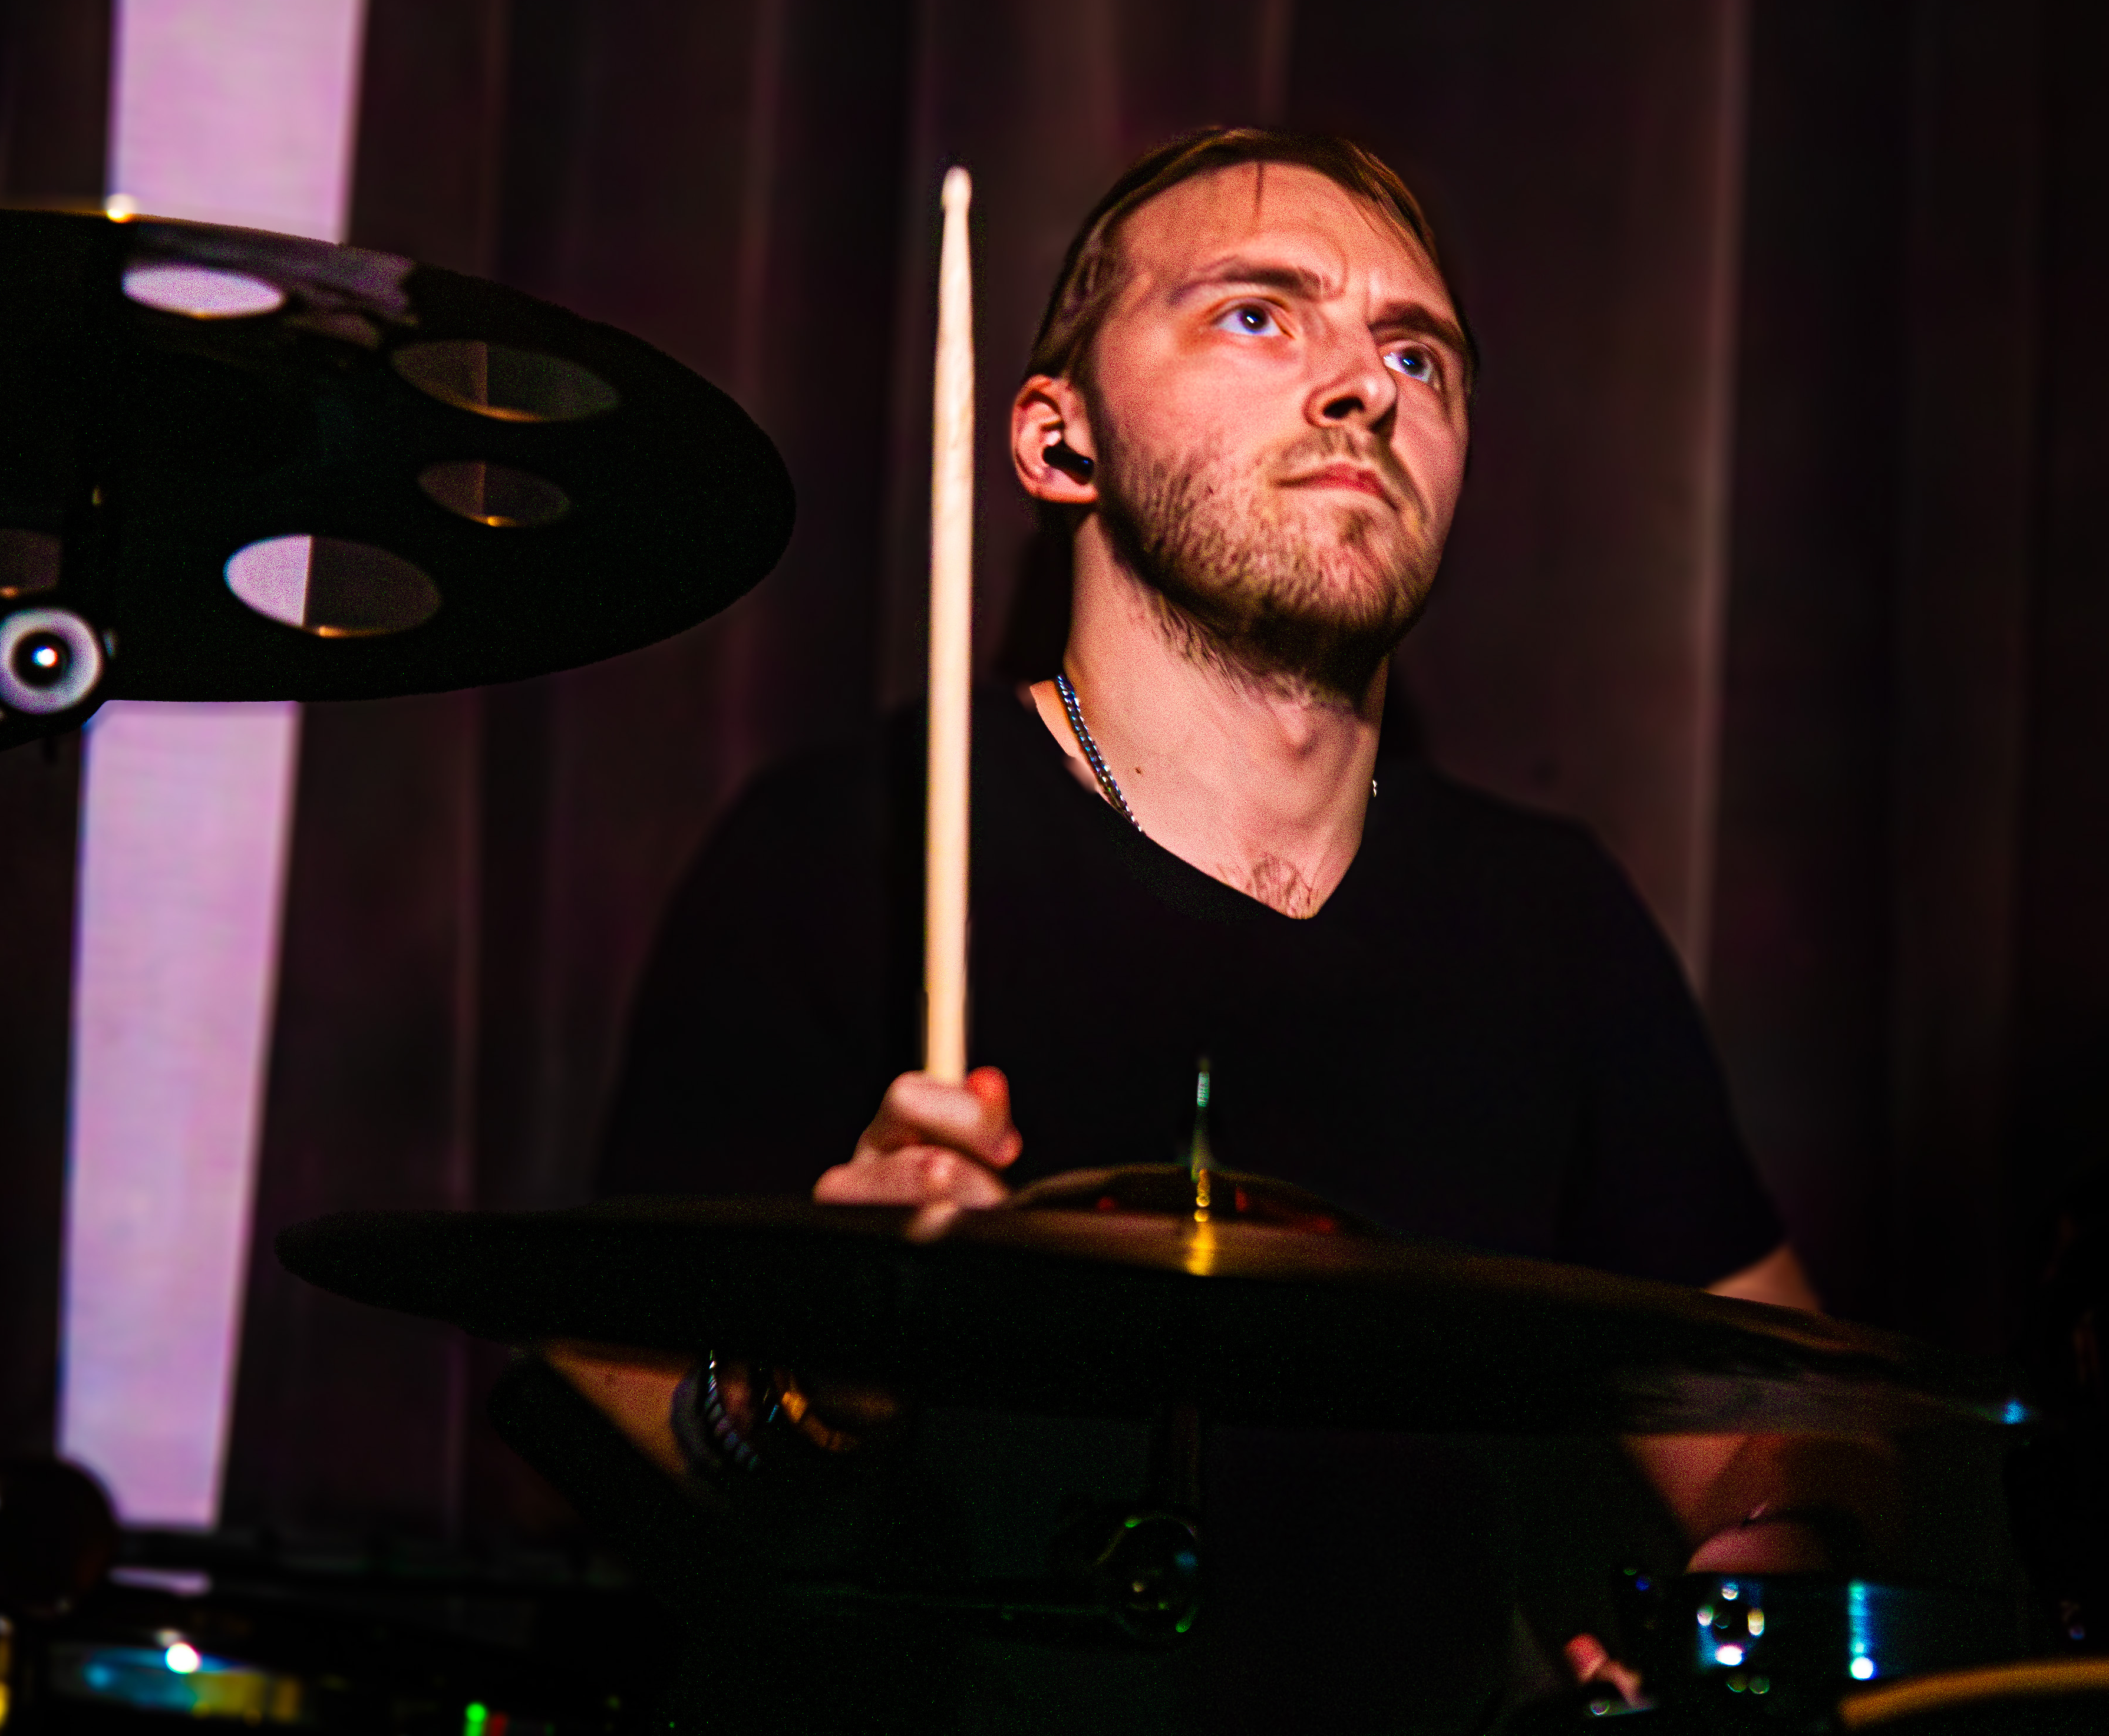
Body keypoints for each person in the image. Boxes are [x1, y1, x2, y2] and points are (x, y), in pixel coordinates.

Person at [575, 127, 1901, 1731]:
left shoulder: (1545, 919)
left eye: (1417, 355)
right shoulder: (847, 847)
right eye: (1258, 315)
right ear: (1057, 440)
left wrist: (1747, 1590)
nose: (1364, 391)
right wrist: (804, 1383)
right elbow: (598, 1398)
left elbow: (1785, 1408)